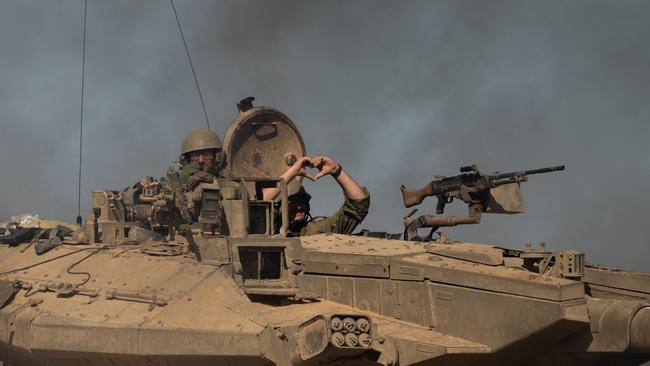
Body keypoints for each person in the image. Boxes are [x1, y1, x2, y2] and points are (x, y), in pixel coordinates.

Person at [263, 156, 370, 236]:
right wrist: (294, 171)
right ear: (277, 206)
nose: (299, 207)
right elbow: (259, 202)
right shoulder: (264, 232)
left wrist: (336, 170)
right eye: (291, 202)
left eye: (301, 201)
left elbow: (359, 205)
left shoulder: (314, 233)